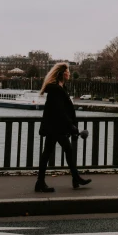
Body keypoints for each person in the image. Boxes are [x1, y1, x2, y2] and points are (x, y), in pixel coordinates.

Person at [35, 61, 92, 193]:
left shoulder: (59, 88)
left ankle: (41, 182)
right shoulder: (56, 89)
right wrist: (71, 126)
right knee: (65, 151)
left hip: (55, 126)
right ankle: (74, 178)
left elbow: (61, 110)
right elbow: (60, 111)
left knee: (50, 153)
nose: (69, 73)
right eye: (68, 71)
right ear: (62, 73)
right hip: (56, 127)